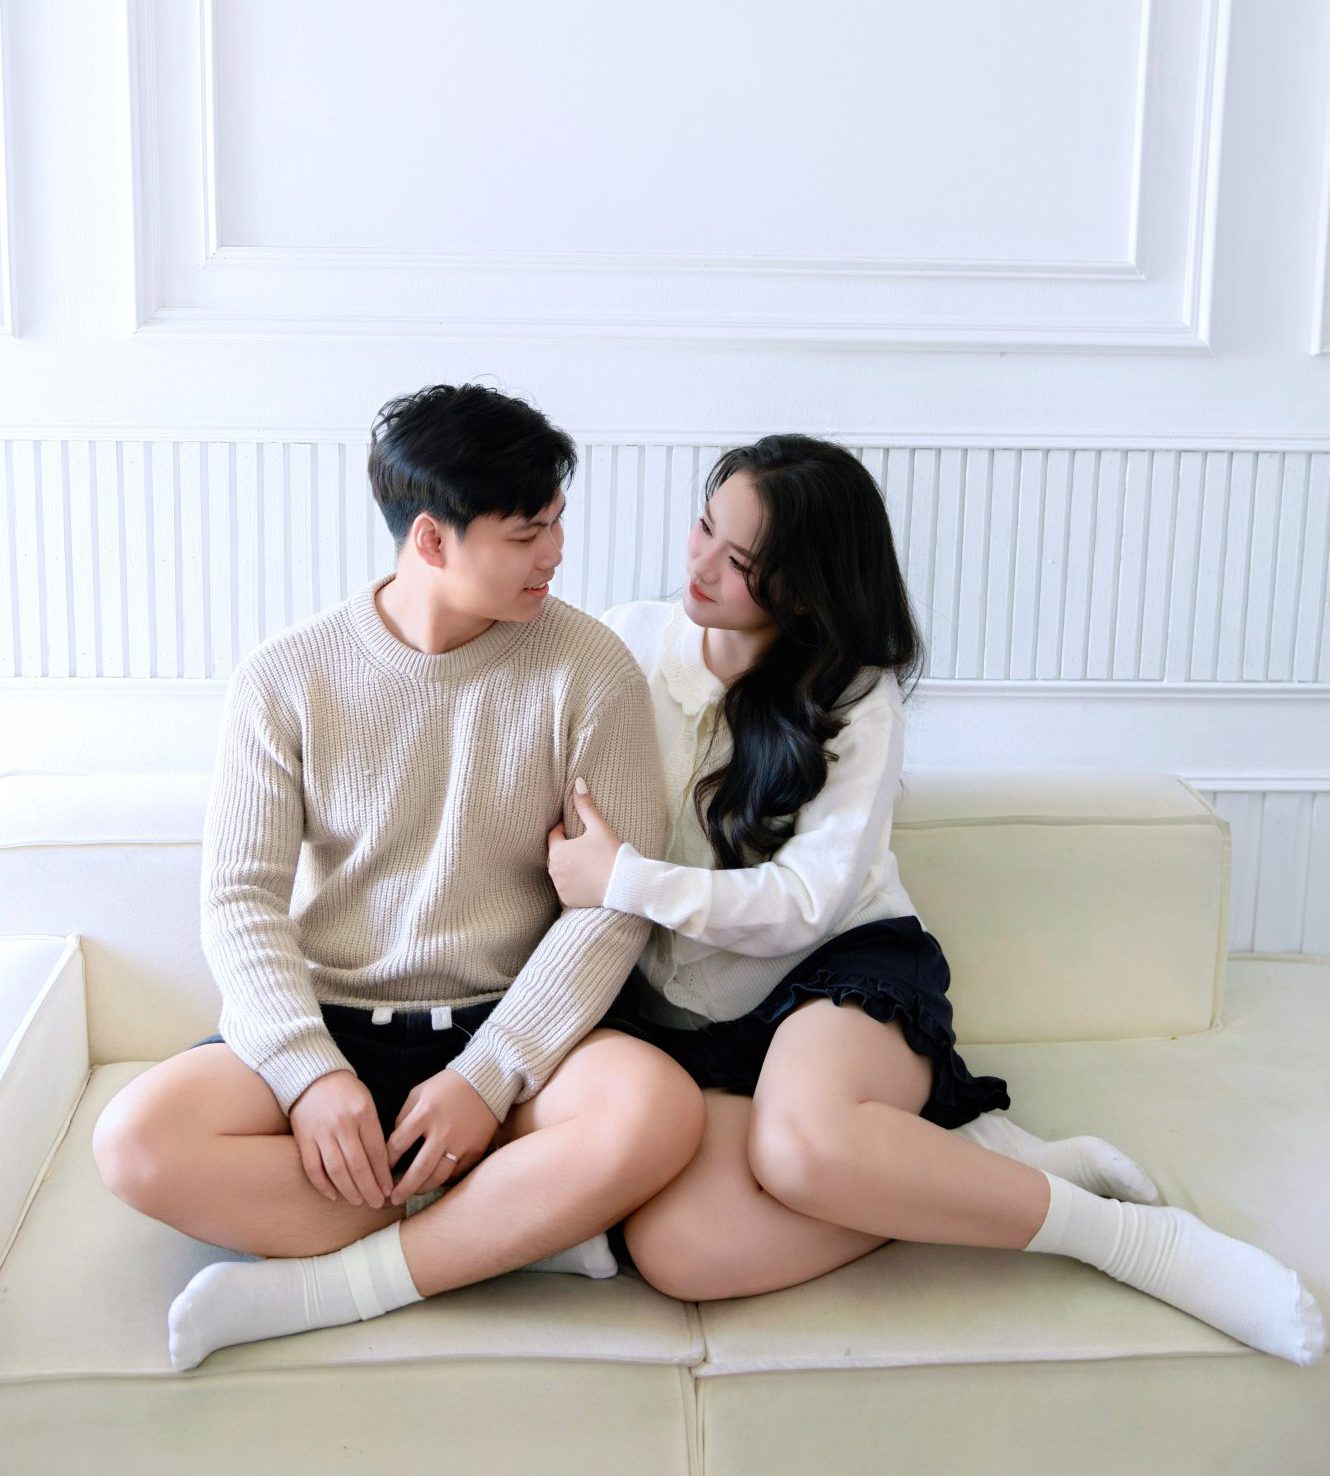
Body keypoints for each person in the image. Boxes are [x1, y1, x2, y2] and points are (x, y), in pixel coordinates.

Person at [547, 433, 1326, 1366]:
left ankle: (1128, 1240)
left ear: (806, 589)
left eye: (741, 560)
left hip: (829, 973)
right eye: (704, 527)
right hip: (686, 1025)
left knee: (800, 1152)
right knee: (683, 1250)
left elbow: (805, 902)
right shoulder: (625, 643)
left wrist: (627, 882)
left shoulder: (854, 698)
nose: (702, 564)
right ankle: (956, 1170)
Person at [92, 383, 705, 1371]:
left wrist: (487, 1074)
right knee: (134, 1141)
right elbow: (241, 900)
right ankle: (502, 1226)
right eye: (525, 534)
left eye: (557, 523)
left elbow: (609, 909)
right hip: (332, 1014)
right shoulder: (286, 676)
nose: (555, 553)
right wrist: (307, 1075)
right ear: (430, 540)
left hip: (510, 1024)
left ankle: (340, 1286)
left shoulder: (590, 670)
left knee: (657, 1110)